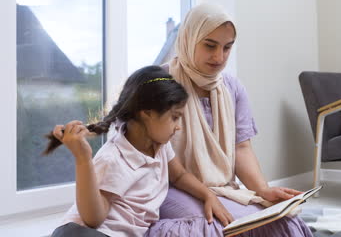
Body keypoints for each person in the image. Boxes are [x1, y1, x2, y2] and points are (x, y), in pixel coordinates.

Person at [146, 4, 313, 236]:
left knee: (280, 223)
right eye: (210, 45)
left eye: (227, 47)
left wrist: (263, 190)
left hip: (220, 186)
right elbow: (164, 163)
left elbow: (242, 148)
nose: (219, 57)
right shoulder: (159, 84)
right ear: (189, 38)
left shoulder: (232, 87)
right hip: (168, 186)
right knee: (209, 227)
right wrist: (207, 195)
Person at [46, 66, 234, 237]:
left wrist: (208, 195)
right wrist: (83, 159)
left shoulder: (160, 145)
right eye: (175, 117)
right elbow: (93, 219)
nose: (178, 127)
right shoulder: (114, 158)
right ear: (147, 112)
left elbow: (179, 176)